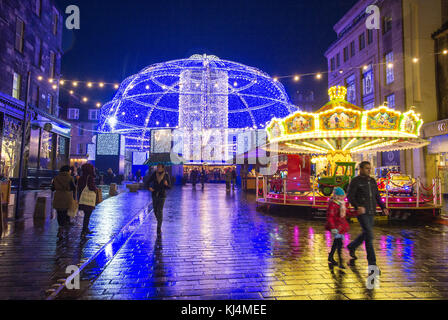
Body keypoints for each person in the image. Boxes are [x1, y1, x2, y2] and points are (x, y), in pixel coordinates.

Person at [346, 161, 389, 269]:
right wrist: (357, 206)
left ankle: (352, 246)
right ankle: (372, 265)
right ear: (360, 169)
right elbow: (350, 196)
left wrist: (383, 207)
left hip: (371, 211)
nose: (369, 170)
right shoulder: (356, 181)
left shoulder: (372, 181)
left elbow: (377, 196)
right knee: (369, 237)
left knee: (366, 234)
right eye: (366, 168)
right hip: (362, 212)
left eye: (370, 168)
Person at [326, 187, 350, 269]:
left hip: (340, 227)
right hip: (336, 227)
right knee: (340, 244)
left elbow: (347, 213)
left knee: (336, 243)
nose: (342, 197)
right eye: (340, 196)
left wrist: (357, 213)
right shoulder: (333, 204)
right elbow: (330, 217)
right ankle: (341, 262)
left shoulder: (342, 204)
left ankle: (331, 256)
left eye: (343, 196)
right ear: (336, 196)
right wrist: (332, 227)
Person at [51, 166, 76, 238]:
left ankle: (60, 227)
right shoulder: (70, 178)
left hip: (58, 196)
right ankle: (62, 228)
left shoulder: (56, 178)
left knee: (59, 213)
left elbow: (52, 188)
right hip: (67, 196)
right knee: (65, 213)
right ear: (68, 171)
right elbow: (73, 188)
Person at [148, 164, 171, 234]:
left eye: (159, 167)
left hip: (162, 195)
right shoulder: (154, 174)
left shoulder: (166, 175)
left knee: (160, 210)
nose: (158, 168)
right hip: (154, 194)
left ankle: (159, 226)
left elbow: (170, 186)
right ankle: (159, 220)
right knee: (155, 210)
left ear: (163, 168)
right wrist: (149, 187)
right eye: (157, 167)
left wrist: (167, 184)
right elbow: (148, 181)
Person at [78, 163, 98, 238]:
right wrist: (95, 189)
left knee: (86, 215)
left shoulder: (81, 177)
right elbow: (91, 187)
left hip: (82, 199)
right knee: (87, 215)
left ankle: (85, 229)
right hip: (88, 200)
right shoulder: (90, 177)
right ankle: (84, 230)